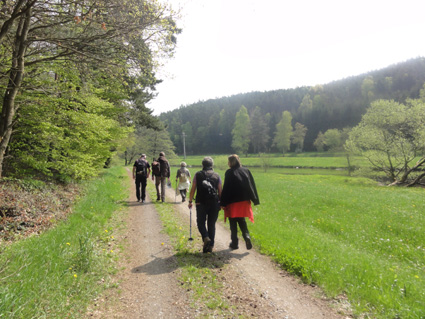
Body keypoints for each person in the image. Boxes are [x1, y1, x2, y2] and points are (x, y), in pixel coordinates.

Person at [220, 154, 260, 250]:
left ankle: (234, 243)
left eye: (228, 161)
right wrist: (255, 199)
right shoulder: (246, 171)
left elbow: (226, 188)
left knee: (233, 223)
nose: (227, 163)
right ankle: (247, 236)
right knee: (242, 221)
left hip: (233, 202)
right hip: (244, 202)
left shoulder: (229, 172)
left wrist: (223, 203)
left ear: (231, 162)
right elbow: (252, 185)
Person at [188, 156, 222, 253]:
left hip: (200, 202)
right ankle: (210, 247)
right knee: (211, 224)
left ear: (202, 165)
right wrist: (221, 203)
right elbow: (220, 191)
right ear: (212, 165)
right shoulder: (217, 175)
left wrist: (190, 201)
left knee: (200, 223)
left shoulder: (197, 174)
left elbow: (193, 188)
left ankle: (206, 237)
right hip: (214, 203)